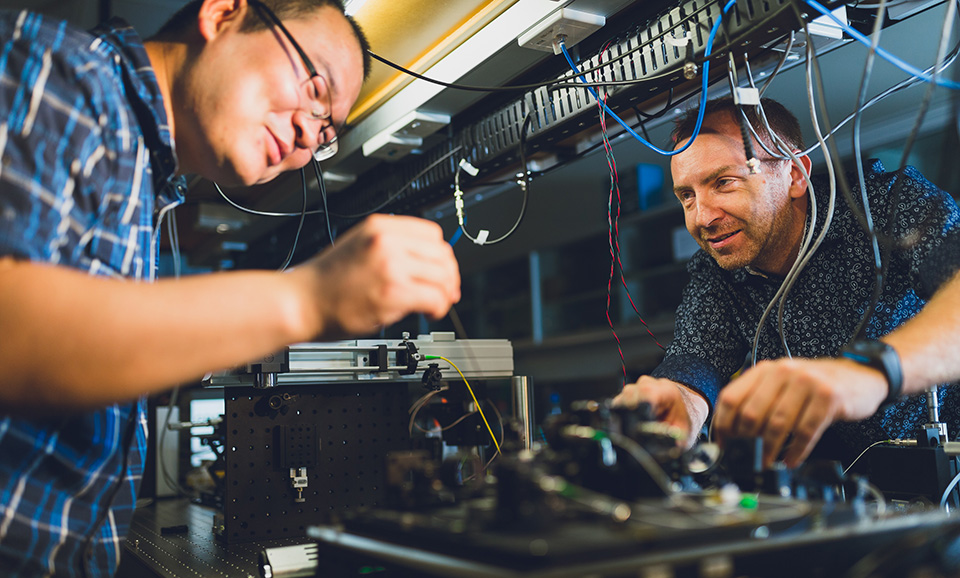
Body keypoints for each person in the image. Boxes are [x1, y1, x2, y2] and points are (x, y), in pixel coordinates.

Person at [0, 1, 460, 576]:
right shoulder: (57, 69)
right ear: (221, 13)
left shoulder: (144, 182)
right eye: (314, 86)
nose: (304, 135)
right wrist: (307, 298)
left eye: (325, 132)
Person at [613, 97, 960, 471]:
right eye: (687, 195)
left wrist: (868, 372)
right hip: (839, 496)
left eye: (724, 182)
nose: (703, 217)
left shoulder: (885, 204)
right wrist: (680, 402)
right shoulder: (718, 269)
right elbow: (697, 359)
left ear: (794, 174)